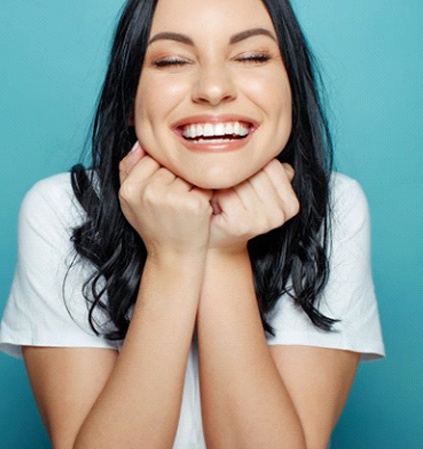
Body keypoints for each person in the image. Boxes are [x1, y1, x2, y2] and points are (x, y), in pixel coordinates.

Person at [0, 0, 385, 447]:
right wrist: (174, 258)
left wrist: (224, 252)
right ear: (129, 99)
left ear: (292, 87)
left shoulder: (332, 207)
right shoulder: (64, 210)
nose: (215, 88)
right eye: (172, 61)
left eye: (252, 56)